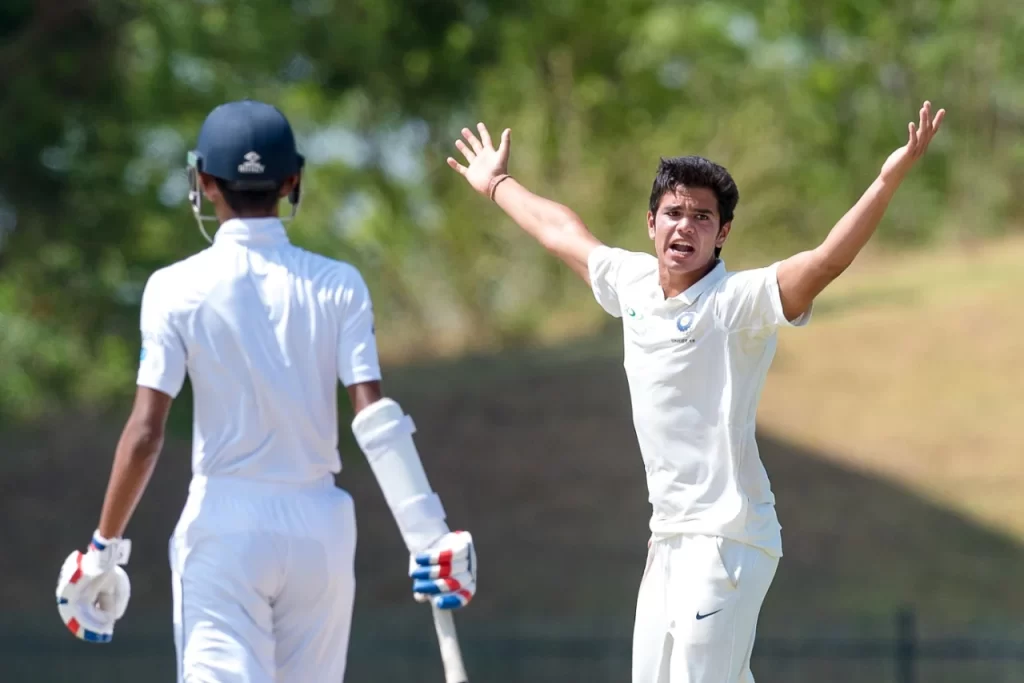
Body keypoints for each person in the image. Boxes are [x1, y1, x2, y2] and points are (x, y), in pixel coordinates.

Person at [445, 102, 945, 682]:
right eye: (674, 212)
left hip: (729, 538)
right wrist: (496, 183)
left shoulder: (736, 303)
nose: (686, 226)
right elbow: (562, 232)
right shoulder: (630, 283)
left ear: (723, 232)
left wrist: (887, 180)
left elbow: (826, 261)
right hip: (669, 537)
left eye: (702, 217)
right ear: (651, 223)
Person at [55, 99, 478, 682]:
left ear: (203, 183)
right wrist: (428, 533)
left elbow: (146, 434)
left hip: (225, 523)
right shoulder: (339, 284)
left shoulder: (174, 288)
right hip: (320, 527)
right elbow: (373, 417)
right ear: (292, 182)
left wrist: (103, 550)